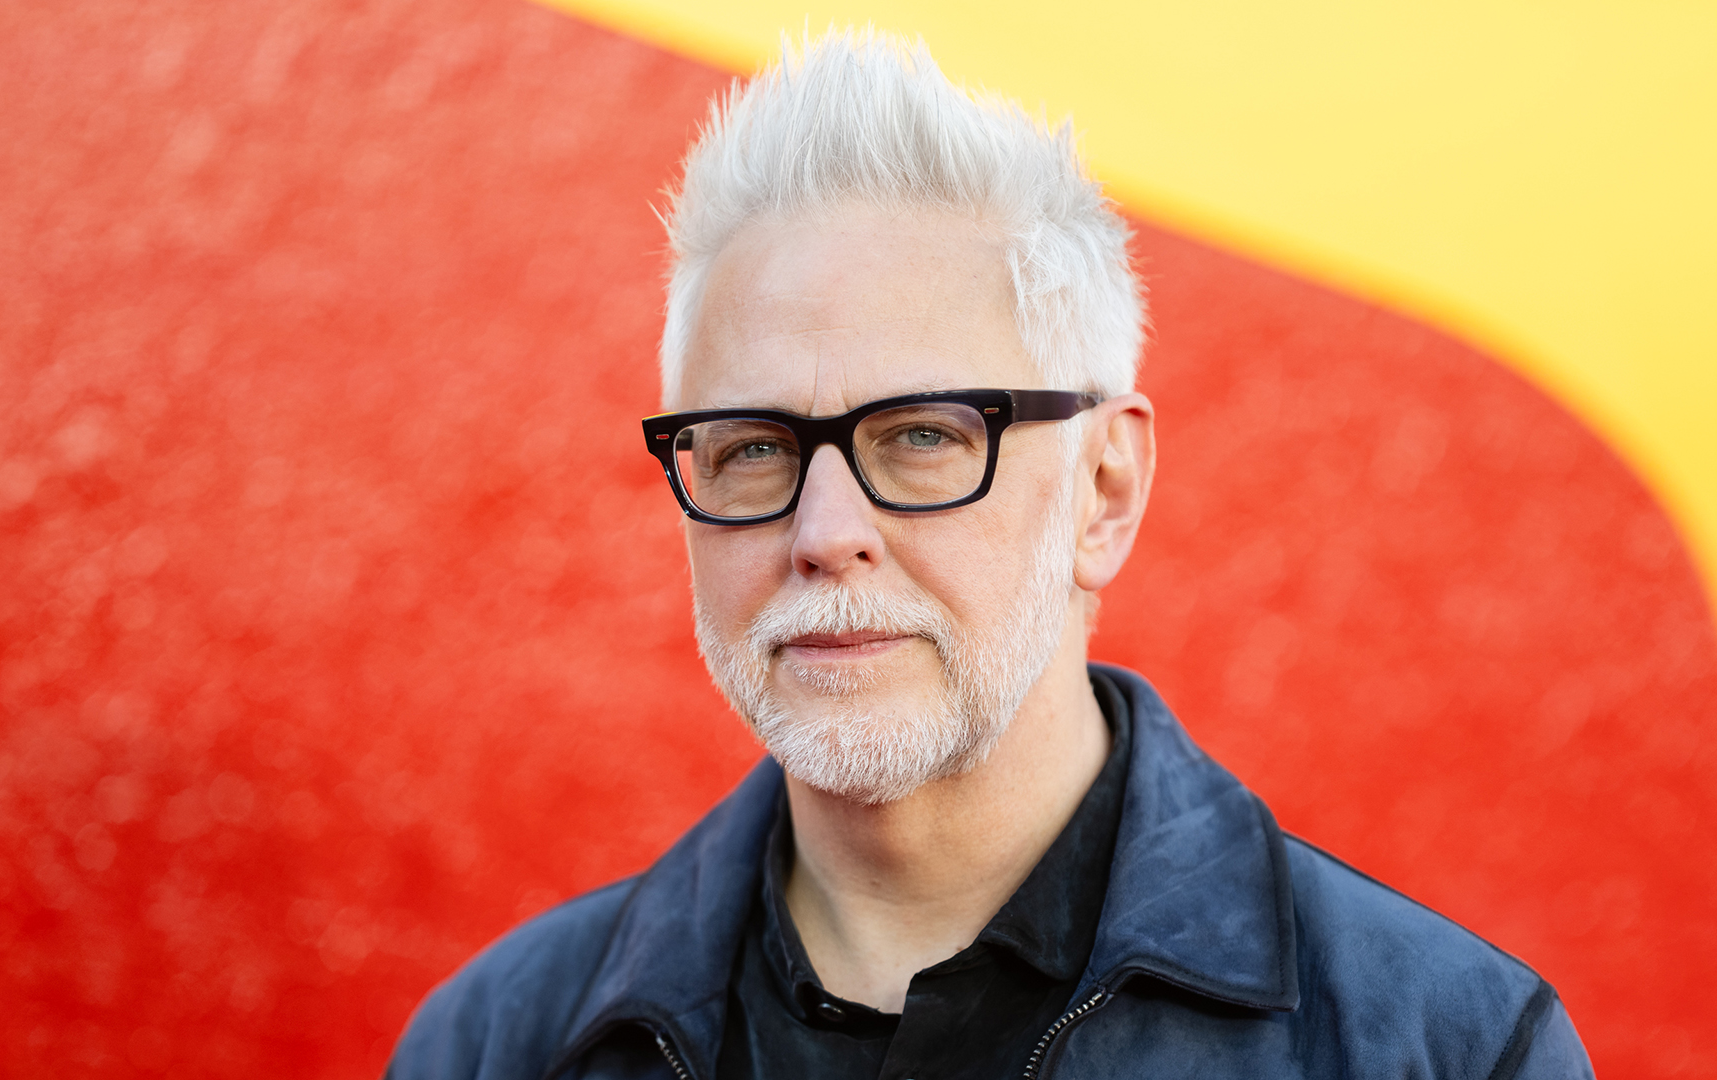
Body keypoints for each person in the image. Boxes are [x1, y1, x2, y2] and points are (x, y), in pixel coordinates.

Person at [387, 30, 1593, 1080]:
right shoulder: (494, 1046)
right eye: (753, 448)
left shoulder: (1444, 1049)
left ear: (1105, 490)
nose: (825, 534)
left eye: (923, 436)